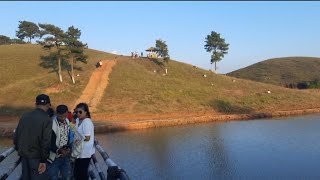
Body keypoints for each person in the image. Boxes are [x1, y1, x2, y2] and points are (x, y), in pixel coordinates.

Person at [13, 94, 52, 180]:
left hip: (24, 156)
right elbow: (46, 141)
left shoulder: (25, 116)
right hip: (37, 157)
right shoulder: (46, 119)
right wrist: (43, 160)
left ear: (35, 104)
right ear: (48, 105)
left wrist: (19, 149)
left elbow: (16, 136)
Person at [47, 105, 74, 180]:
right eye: (60, 117)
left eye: (64, 116)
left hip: (65, 156)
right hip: (54, 157)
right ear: (56, 114)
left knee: (66, 176)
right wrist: (59, 151)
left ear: (67, 113)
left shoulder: (67, 121)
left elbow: (67, 137)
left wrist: (67, 148)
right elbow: (49, 142)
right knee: (53, 177)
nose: (62, 119)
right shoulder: (51, 124)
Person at [73, 103, 95, 180]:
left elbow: (87, 137)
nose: (78, 114)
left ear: (86, 112)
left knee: (82, 173)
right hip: (79, 150)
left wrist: (78, 140)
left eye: (80, 112)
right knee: (77, 172)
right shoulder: (78, 120)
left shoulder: (87, 122)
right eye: (76, 112)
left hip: (85, 152)